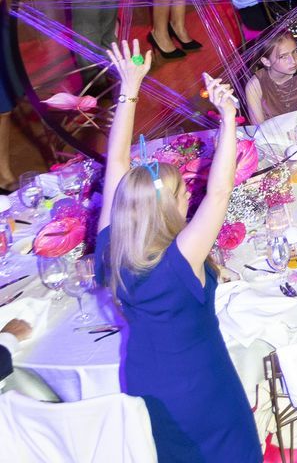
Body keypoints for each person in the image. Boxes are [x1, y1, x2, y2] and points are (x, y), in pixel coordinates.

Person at [98, 41, 259, 463]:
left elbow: (116, 165)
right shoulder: (178, 261)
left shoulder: (113, 247)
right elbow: (219, 192)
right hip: (201, 388)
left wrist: (129, 87)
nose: (190, 194)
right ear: (168, 208)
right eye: (184, 192)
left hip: (145, 380)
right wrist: (228, 119)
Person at [243, 32, 297, 126]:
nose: (293, 60)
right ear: (266, 61)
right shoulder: (255, 85)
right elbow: (258, 129)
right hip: (270, 135)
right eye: (283, 56)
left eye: (295, 51)